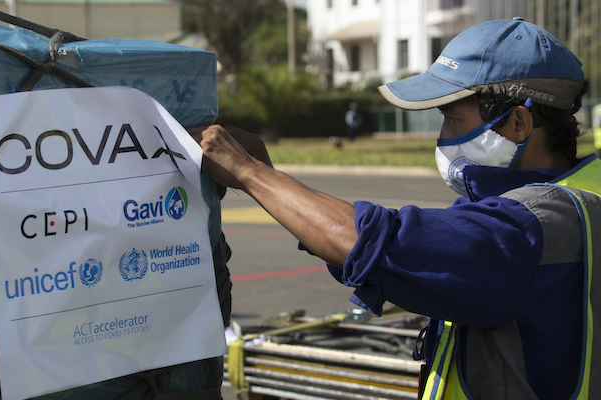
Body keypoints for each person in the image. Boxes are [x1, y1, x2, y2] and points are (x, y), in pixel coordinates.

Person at [195, 18, 599, 399]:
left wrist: (251, 174)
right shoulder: (581, 195)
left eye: (452, 120)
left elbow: (370, 243)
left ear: (518, 124)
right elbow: (409, 269)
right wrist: (268, 177)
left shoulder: (530, 230)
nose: (442, 139)